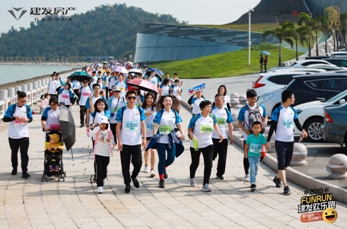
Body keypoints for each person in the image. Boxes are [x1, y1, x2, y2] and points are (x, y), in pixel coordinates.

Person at [267, 89, 307, 195]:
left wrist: (303, 130)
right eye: (293, 97)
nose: (294, 99)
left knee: (286, 164)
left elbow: (297, 123)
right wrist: (267, 141)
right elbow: (272, 127)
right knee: (281, 164)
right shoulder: (277, 110)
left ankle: (277, 178)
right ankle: (285, 186)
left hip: (290, 141)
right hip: (280, 141)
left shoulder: (292, 110)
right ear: (288, 99)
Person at [188, 100, 223, 192]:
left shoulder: (212, 116)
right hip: (196, 143)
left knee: (209, 163)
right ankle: (192, 177)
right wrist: (191, 134)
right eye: (207, 107)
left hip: (208, 143)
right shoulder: (196, 117)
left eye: (210, 107)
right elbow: (189, 128)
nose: (209, 109)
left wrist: (219, 133)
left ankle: (205, 184)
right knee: (195, 163)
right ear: (202, 108)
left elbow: (215, 124)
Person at [116, 90, 147, 193]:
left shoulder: (139, 110)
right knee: (125, 165)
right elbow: (118, 126)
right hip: (125, 142)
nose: (132, 100)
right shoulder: (122, 110)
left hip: (136, 141)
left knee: (138, 163)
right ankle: (127, 184)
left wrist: (144, 139)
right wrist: (119, 141)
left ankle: (133, 176)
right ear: (126, 99)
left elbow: (143, 125)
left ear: (136, 98)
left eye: (133, 97)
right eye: (129, 98)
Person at [153, 95, 185, 188]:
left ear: (172, 103)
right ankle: (161, 179)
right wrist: (154, 135)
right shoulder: (160, 113)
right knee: (162, 159)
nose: (168, 102)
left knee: (171, 159)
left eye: (169, 101)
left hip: (171, 139)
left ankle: (163, 168)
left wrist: (182, 134)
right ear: (162, 103)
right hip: (161, 140)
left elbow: (179, 124)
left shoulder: (174, 113)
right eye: (166, 101)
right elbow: (155, 126)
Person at [237, 89, 267, 182]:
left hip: (260, 136)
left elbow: (265, 117)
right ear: (247, 98)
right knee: (247, 154)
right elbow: (239, 122)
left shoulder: (261, 107)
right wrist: (247, 132)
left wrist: (264, 126)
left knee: (262, 154)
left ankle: (253, 168)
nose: (253, 100)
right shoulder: (243, 110)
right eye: (251, 99)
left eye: (254, 98)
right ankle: (247, 173)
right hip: (248, 136)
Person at [3, 91, 33, 178]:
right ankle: (14, 168)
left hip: (24, 134)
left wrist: (27, 120)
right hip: (13, 135)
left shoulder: (27, 108)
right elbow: (5, 119)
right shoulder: (12, 108)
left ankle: (24, 171)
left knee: (24, 153)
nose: (23, 103)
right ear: (18, 99)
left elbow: (31, 118)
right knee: (14, 153)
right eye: (22, 101)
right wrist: (14, 118)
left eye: (25, 101)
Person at [90, 116, 115, 194]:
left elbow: (113, 143)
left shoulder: (109, 132)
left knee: (104, 169)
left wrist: (109, 141)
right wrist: (97, 127)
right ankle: (99, 186)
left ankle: (103, 177)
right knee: (99, 169)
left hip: (106, 153)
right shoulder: (97, 131)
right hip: (98, 153)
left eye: (104, 124)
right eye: (102, 124)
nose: (103, 125)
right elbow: (90, 134)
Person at [212, 94, 234, 180]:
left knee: (223, 157)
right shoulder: (212, 110)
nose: (217, 102)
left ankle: (219, 174)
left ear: (223, 101)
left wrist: (231, 137)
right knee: (211, 157)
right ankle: (208, 171)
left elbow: (230, 124)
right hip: (212, 138)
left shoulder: (226, 111)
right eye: (216, 100)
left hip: (223, 138)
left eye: (219, 100)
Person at [244, 121, 269, 191]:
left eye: (258, 128)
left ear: (260, 129)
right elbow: (246, 144)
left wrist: (267, 146)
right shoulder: (250, 137)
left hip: (258, 155)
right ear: (252, 128)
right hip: (250, 155)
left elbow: (265, 143)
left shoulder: (261, 137)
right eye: (254, 128)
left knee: (256, 169)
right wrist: (245, 152)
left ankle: (253, 178)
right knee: (252, 168)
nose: (256, 129)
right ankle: (253, 183)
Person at [142, 93, 157, 177]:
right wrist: (145, 113)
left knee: (153, 150)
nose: (149, 100)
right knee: (147, 149)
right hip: (145, 131)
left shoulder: (156, 108)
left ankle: (152, 169)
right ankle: (146, 165)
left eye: (151, 98)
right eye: (147, 98)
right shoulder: (142, 108)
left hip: (154, 132)